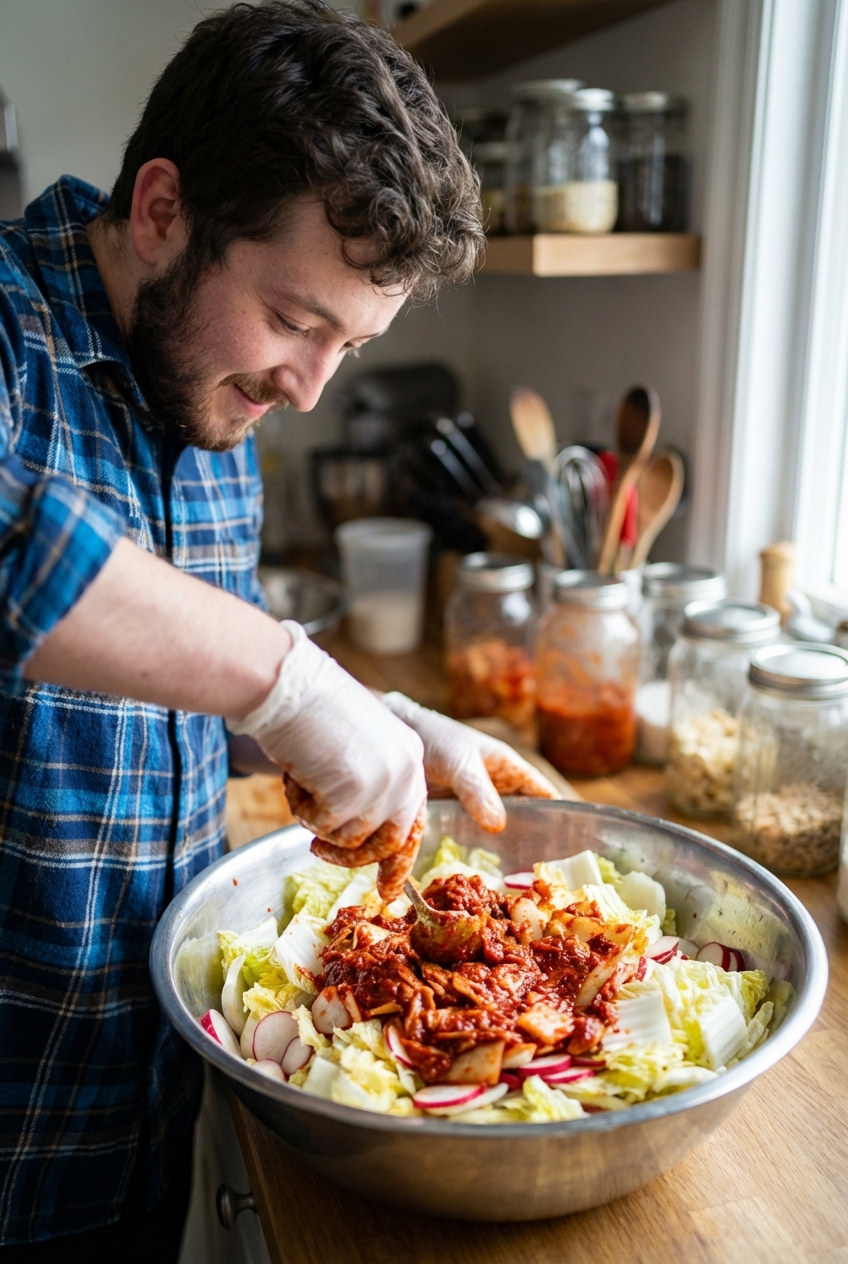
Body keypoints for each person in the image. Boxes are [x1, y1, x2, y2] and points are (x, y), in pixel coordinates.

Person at [0, 2, 555, 1257]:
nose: (307, 388)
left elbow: (160, 678)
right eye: (298, 321)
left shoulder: (213, 394)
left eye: (347, 347)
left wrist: (368, 722)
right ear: (161, 211)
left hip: (131, 1122)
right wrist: (287, 677)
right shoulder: (8, 340)